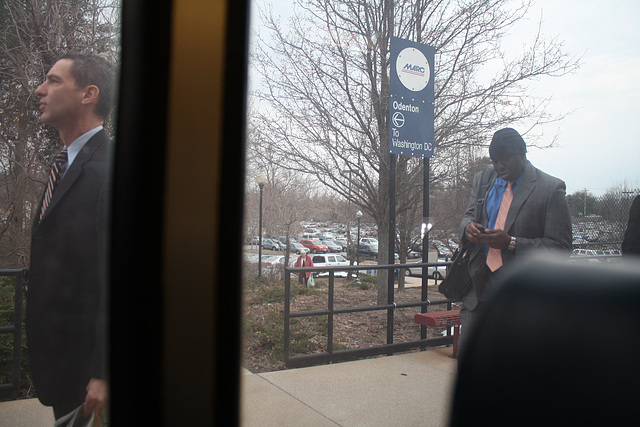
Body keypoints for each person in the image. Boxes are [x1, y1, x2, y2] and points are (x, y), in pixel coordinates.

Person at [27, 53, 114, 421]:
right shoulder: (65, 165)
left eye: (53, 80)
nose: (39, 90)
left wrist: (104, 372)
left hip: (90, 379)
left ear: (88, 94)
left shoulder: (110, 169)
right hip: (63, 371)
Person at [458, 127, 572, 353]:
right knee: (471, 368)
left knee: (513, 372)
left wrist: (511, 243)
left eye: (505, 160)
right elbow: (468, 216)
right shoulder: (484, 179)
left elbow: (561, 248)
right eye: (495, 161)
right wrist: (468, 229)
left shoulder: (551, 189)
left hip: (523, 297)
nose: (499, 167)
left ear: (522, 154)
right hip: (478, 291)